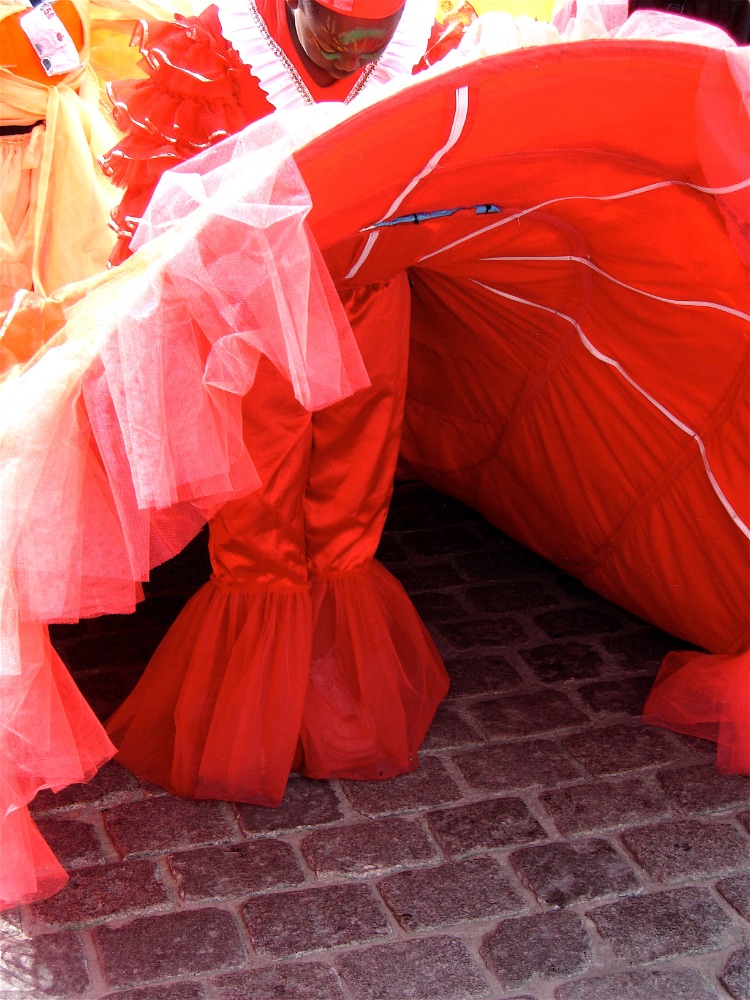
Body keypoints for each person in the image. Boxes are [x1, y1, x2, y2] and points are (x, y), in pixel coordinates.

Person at [102, 0, 450, 807]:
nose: (355, 48)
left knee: (353, 497)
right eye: (337, 27)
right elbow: (166, 219)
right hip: (252, 310)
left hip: (372, 291)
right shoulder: (215, 50)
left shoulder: (429, 39)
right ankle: (260, 715)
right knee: (257, 506)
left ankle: (339, 708)